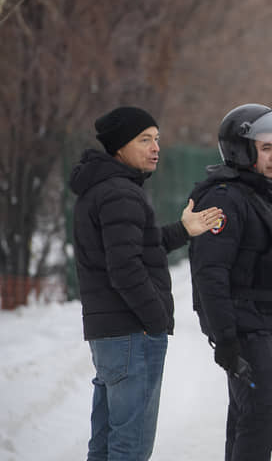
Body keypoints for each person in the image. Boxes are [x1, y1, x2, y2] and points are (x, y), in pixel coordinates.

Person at [71, 106, 222, 461]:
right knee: (131, 447)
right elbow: (124, 268)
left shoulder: (101, 188)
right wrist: (154, 320)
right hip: (131, 334)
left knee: (107, 443)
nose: (155, 147)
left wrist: (184, 230)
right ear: (120, 147)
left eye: (156, 139)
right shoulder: (120, 193)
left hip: (110, 333)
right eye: (144, 140)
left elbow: (139, 244)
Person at [188, 104, 272, 461]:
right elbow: (210, 274)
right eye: (266, 148)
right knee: (261, 421)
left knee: (246, 419)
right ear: (242, 150)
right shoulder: (225, 198)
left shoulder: (262, 194)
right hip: (243, 329)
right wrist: (226, 338)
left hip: (260, 326)